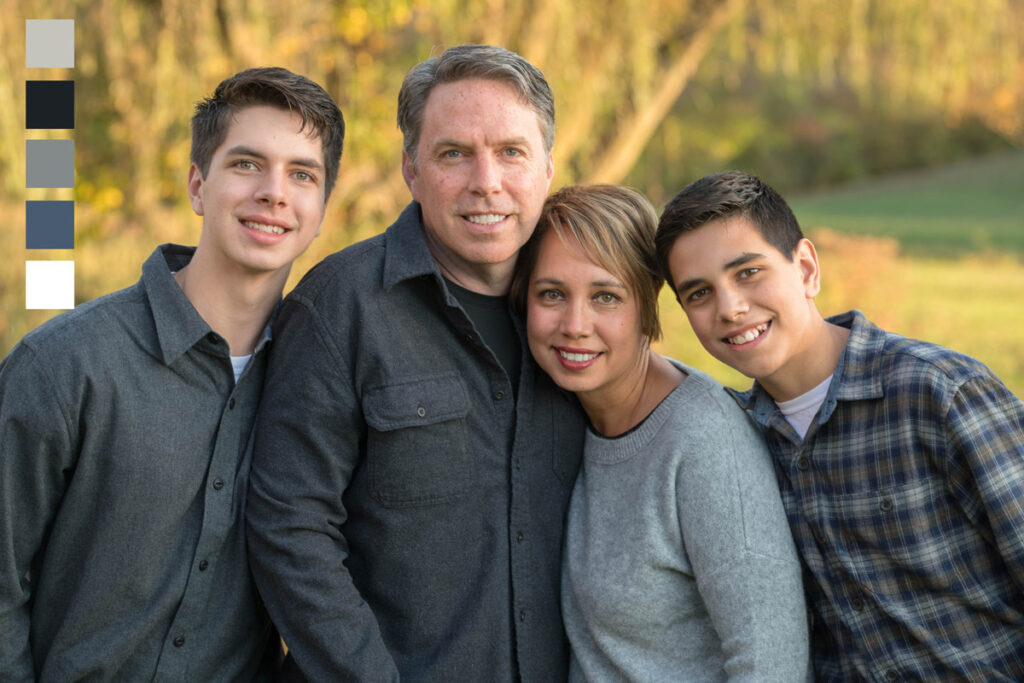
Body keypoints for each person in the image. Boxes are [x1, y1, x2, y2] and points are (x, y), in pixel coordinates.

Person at [245, 45, 585, 681]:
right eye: (454, 153)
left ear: (546, 167)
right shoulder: (339, 308)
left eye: (511, 151)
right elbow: (290, 528)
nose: (486, 181)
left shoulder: (582, 312)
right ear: (411, 169)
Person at [0, 67, 344, 681]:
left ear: (320, 213)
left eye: (302, 174)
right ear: (196, 185)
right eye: (246, 164)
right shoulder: (65, 366)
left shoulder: (327, 385)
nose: (274, 192)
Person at [655, 169, 1024, 681]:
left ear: (806, 268)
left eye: (748, 273)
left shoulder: (937, 392)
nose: (730, 308)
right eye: (698, 293)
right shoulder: (733, 438)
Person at [509, 184, 810, 681]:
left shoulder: (703, 441)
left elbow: (770, 661)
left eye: (606, 296)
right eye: (552, 295)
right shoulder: (557, 414)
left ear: (648, 302)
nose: (575, 325)